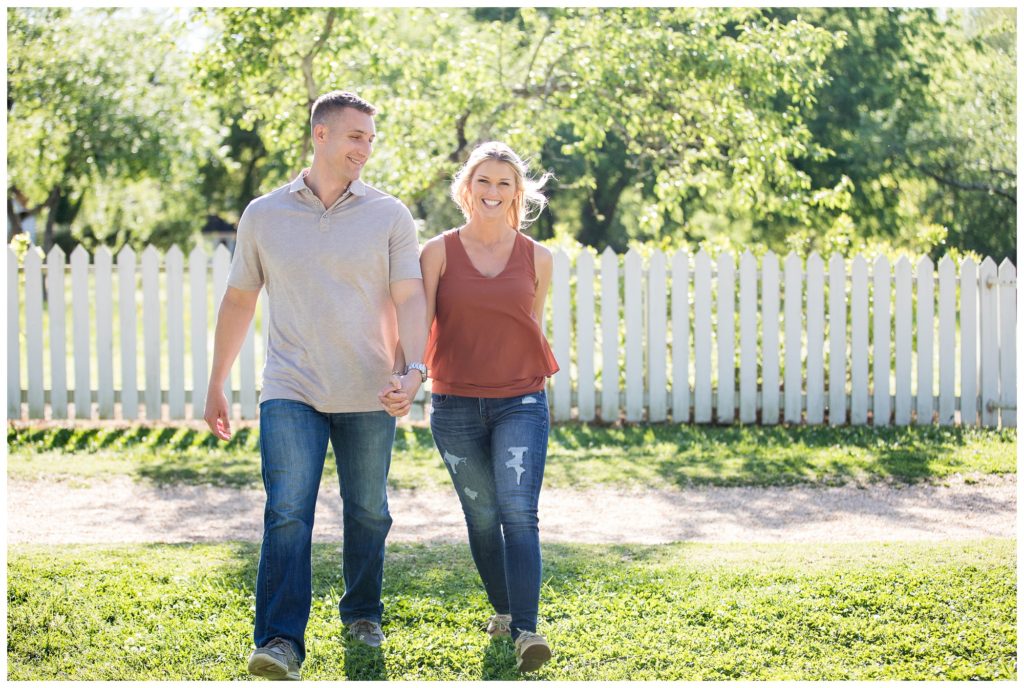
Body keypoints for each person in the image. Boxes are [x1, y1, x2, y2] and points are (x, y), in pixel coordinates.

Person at [204, 90, 428, 681]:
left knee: (368, 511)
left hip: (370, 388)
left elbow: (410, 296)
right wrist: (217, 381)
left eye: (371, 139)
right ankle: (279, 641)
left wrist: (414, 371)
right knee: (286, 511)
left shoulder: (390, 214)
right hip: (290, 384)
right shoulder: (264, 214)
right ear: (320, 135)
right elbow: (238, 299)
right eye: (356, 136)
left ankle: (361, 612)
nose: (365, 148)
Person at [383, 141, 558, 673]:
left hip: (521, 401)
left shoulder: (539, 257)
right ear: (467, 187)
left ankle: (528, 631)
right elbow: (417, 323)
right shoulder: (436, 252)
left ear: (517, 193)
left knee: (518, 512)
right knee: (482, 516)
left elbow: (531, 324)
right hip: (455, 403)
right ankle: (505, 612)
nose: (493, 191)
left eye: (504, 183)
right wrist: (402, 379)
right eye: (484, 180)